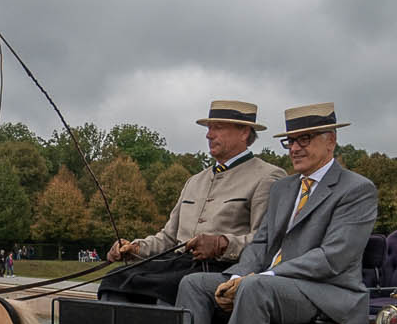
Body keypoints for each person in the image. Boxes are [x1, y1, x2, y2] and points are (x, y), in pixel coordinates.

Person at [174, 102, 378, 324]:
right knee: (195, 284)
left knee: (256, 289)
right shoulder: (285, 187)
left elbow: (334, 258)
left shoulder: (356, 190)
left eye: (304, 139)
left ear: (331, 141)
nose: (295, 148)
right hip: (273, 284)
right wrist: (236, 276)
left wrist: (260, 278)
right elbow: (261, 244)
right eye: (291, 141)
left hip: (327, 290)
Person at [107, 100, 288, 300]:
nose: (209, 135)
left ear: (244, 132)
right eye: (209, 128)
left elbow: (264, 241)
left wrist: (222, 244)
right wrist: (136, 248)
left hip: (219, 268)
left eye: (217, 128)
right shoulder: (194, 181)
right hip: (175, 264)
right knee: (114, 280)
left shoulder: (268, 177)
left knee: (165, 289)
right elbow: (168, 238)